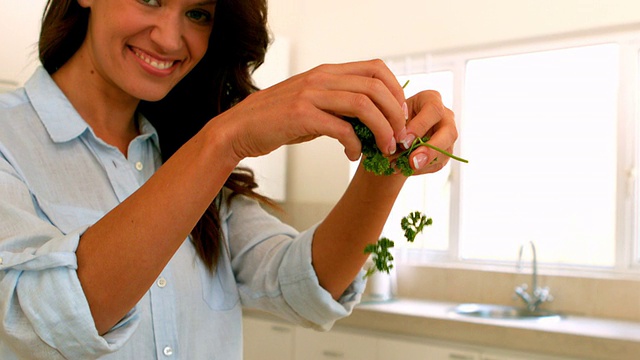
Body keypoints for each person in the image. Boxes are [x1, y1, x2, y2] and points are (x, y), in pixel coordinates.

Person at [0, 0, 458, 358]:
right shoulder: (9, 139)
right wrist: (227, 137)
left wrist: (391, 156)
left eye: (198, 13)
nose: (169, 37)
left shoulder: (182, 150)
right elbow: (41, 322)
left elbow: (305, 285)